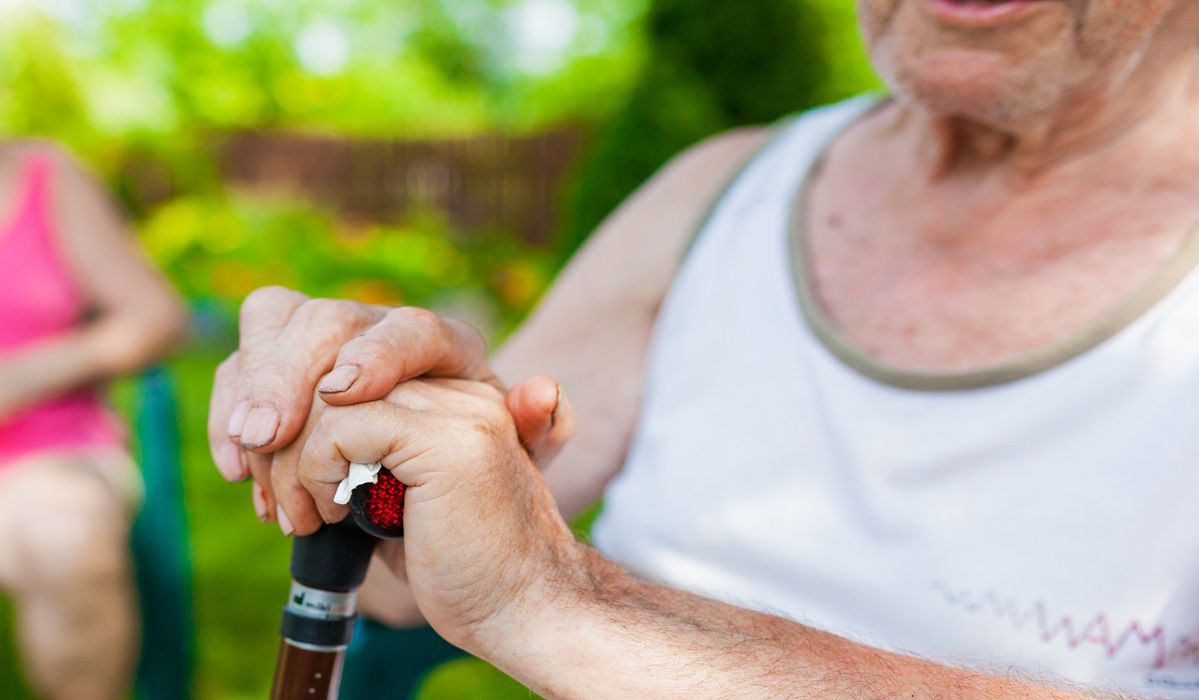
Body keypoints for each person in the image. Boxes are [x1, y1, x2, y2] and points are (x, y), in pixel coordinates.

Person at [211, 0, 1199, 695]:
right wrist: (375, 431)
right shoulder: (720, 191)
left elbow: (518, 585)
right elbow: (409, 573)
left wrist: (566, 607)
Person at [0, 143, 188, 699]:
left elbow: (156, 315)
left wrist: (19, 377)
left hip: (48, 449)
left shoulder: (45, 177)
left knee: (67, 539)